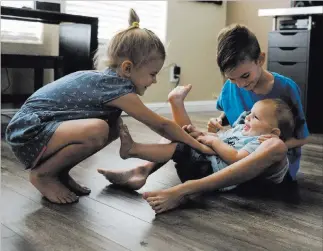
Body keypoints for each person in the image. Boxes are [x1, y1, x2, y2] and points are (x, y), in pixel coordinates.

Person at [5, 9, 214, 205]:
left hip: (43, 127)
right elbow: (162, 126)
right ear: (128, 68)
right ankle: (43, 175)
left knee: (113, 126)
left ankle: (59, 172)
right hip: (29, 132)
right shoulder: (117, 88)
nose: (155, 81)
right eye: (153, 74)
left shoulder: (111, 82)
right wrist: (199, 146)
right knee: (99, 129)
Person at [98, 85, 292, 213]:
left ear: (273, 131)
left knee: (181, 147)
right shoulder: (244, 131)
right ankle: (140, 170)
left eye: (255, 118)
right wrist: (204, 135)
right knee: (184, 137)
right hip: (211, 162)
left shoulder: (263, 142)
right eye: (250, 114)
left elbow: (235, 156)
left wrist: (212, 142)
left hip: (210, 169)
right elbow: (224, 141)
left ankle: (135, 149)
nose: (248, 118)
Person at [208, 24, 309, 180]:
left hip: (273, 164)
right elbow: (229, 113)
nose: (240, 84)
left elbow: (303, 137)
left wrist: (270, 145)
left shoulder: (286, 88)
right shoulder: (230, 87)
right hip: (238, 154)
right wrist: (219, 120)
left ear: (260, 59)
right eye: (232, 78)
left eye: (245, 76)